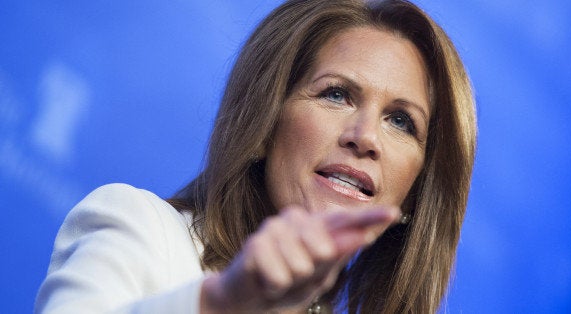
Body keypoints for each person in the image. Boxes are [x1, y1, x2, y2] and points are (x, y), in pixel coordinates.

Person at [35, 0, 476, 313]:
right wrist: (224, 304)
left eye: (401, 122)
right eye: (336, 94)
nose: (366, 138)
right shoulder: (137, 226)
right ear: (263, 125)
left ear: (415, 197)